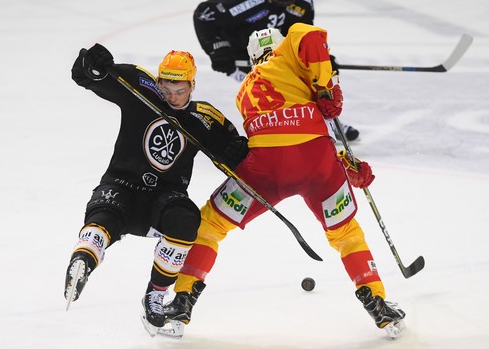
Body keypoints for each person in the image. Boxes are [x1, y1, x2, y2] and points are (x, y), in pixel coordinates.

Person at [163, 24, 406, 338]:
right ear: (280, 49)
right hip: (318, 165)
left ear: (252, 59)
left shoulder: (243, 90)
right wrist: (327, 86)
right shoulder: (293, 62)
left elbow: (281, 135)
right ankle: (377, 302)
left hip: (266, 170)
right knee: (346, 233)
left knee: (210, 225)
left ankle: (182, 302)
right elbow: (309, 36)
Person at [63, 44, 249, 337]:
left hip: (164, 197)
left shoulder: (205, 118)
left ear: (192, 85)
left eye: (180, 90)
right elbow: (86, 76)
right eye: (166, 89)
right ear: (158, 81)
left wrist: (235, 153)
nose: (172, 97)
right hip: (121, 185)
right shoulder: (140, 88)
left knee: (187, 220)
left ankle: (155, 294)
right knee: (105, 217)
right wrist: (90, 63)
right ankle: (82, 261)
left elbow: (234, 152)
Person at [193, 0, 360, 141]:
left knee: (309, 77)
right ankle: (277, 132)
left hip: (279, 49)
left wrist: (320, 59)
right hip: (247, 52)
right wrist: (218, 49)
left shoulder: (303, 0)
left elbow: (303, 36)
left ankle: (328, 124)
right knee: (269, 93)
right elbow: (204, 14)